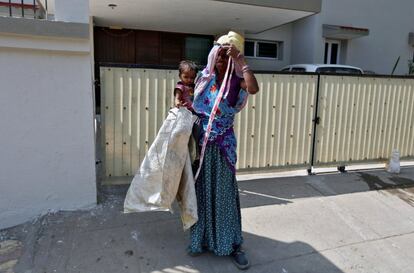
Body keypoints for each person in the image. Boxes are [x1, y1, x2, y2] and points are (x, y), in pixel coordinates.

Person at [186, 32, 259, 270]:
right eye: (218, 55)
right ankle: (203, 240)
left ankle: (231, 244)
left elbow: (254, 88)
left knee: (224, 195)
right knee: (203, 193)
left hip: (223, 147)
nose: (220, 60)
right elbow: (189, 101)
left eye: (225, 56)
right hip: (202, 146)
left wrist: (240, 61)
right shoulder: (204, 79)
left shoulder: (237, 82)